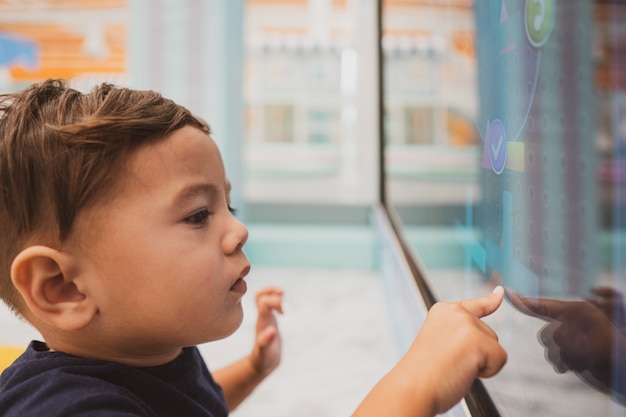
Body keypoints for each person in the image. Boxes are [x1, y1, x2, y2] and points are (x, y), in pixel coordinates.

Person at [0, 79, 507, 417]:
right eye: (198, 215)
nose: (238, 232)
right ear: (62, 286)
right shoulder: (65, 409)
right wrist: (415, 385)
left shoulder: (149, 352)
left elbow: (191, 403)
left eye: (230, 207)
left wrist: (254, 369)